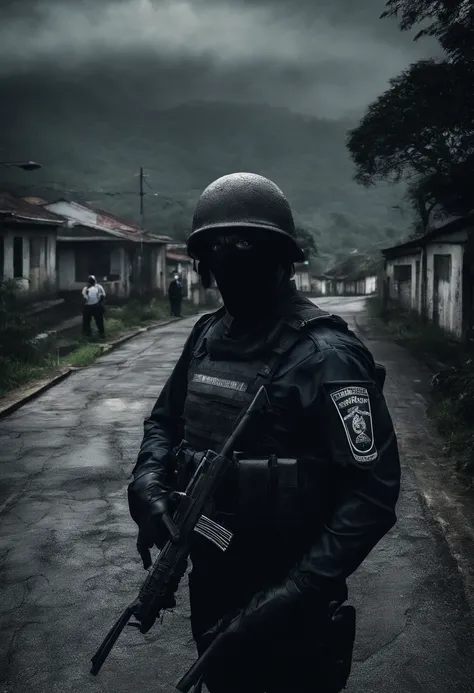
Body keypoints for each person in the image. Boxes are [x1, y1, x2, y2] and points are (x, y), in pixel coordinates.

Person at [128, 172, 401, 693]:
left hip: (292, 597)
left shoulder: (325, 357)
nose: (231, 268)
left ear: (281, 261)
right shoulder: (207, 336)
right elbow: (164, 422)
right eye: (219, 254)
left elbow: (373, 493)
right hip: (210, 574)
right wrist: (147, 484)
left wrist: (293, 591)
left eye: (246, 253)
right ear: (205, 265)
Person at [82, 274, 106, 339]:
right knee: (96, 321)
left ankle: (88, 334)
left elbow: (84, 298)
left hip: (91, 306)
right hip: (95, 306)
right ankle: (99, 334)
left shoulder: (87, 288)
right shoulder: (95, 288)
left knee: (90, 321)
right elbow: (102, 296)